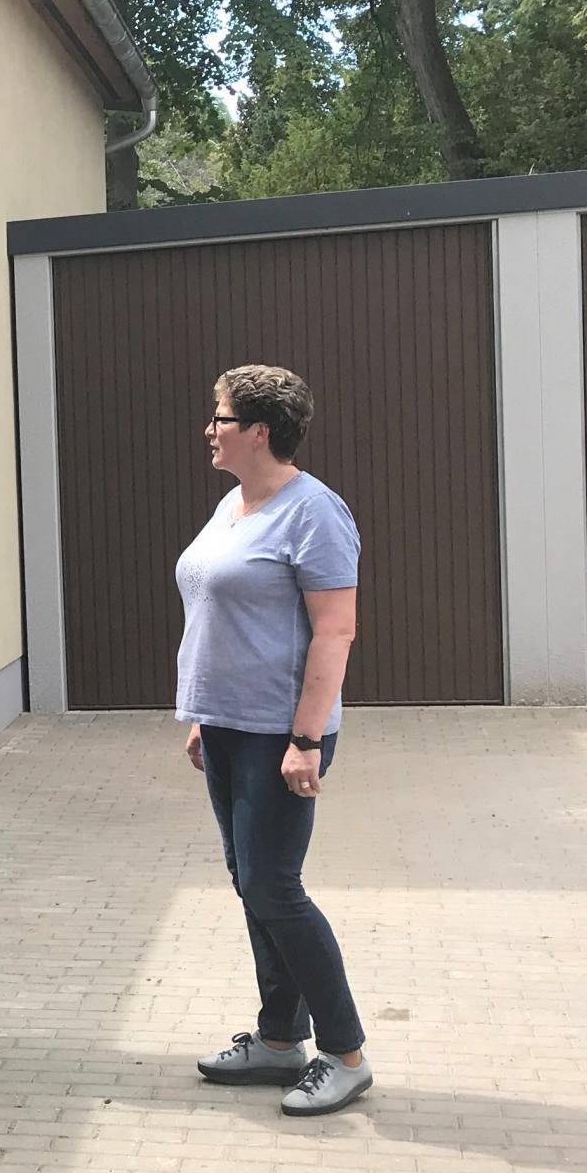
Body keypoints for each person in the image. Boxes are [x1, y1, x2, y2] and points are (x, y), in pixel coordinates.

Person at [177, 365, 372, 1116]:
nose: (210, 428)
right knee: (251, 883)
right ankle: (279, 1040)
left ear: (260, 431)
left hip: (279, 734)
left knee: (274, 889)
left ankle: (345, 1054)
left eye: (221, 417)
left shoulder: (314, 512)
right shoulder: (233, 504)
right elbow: (220, 615)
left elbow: (335, 630)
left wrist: (306, 739)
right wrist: (204, 713)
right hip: (227, 727)